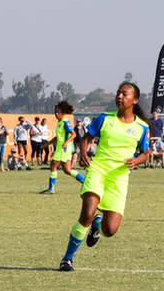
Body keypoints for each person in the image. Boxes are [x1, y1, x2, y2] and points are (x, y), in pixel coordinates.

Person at [58, 82, 150, 271]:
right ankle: (67, 259)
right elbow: (86, 138)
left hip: (119, 179)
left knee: (110, 230)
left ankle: (97, 224)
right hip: (97, 170)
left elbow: (146, 153)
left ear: (135, 100)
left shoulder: (142, 126)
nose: (119, 96)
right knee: (86, 214)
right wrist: (84, 154)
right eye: (118, 93)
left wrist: (136, 161)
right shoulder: (105, 118)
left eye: (125, 94)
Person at [41, 101, 85, 194]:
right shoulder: (59, 123)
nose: (56, 114)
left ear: (63, 113)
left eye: (58, 112)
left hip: (63, 149)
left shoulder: (66, 122)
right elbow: (58, 137)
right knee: (67, 170)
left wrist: (66, 142)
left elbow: (74, 134)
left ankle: (51, 189)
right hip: (61, 148)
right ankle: (85, 182)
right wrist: (47, 144)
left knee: (53, 164)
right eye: (55, 112)